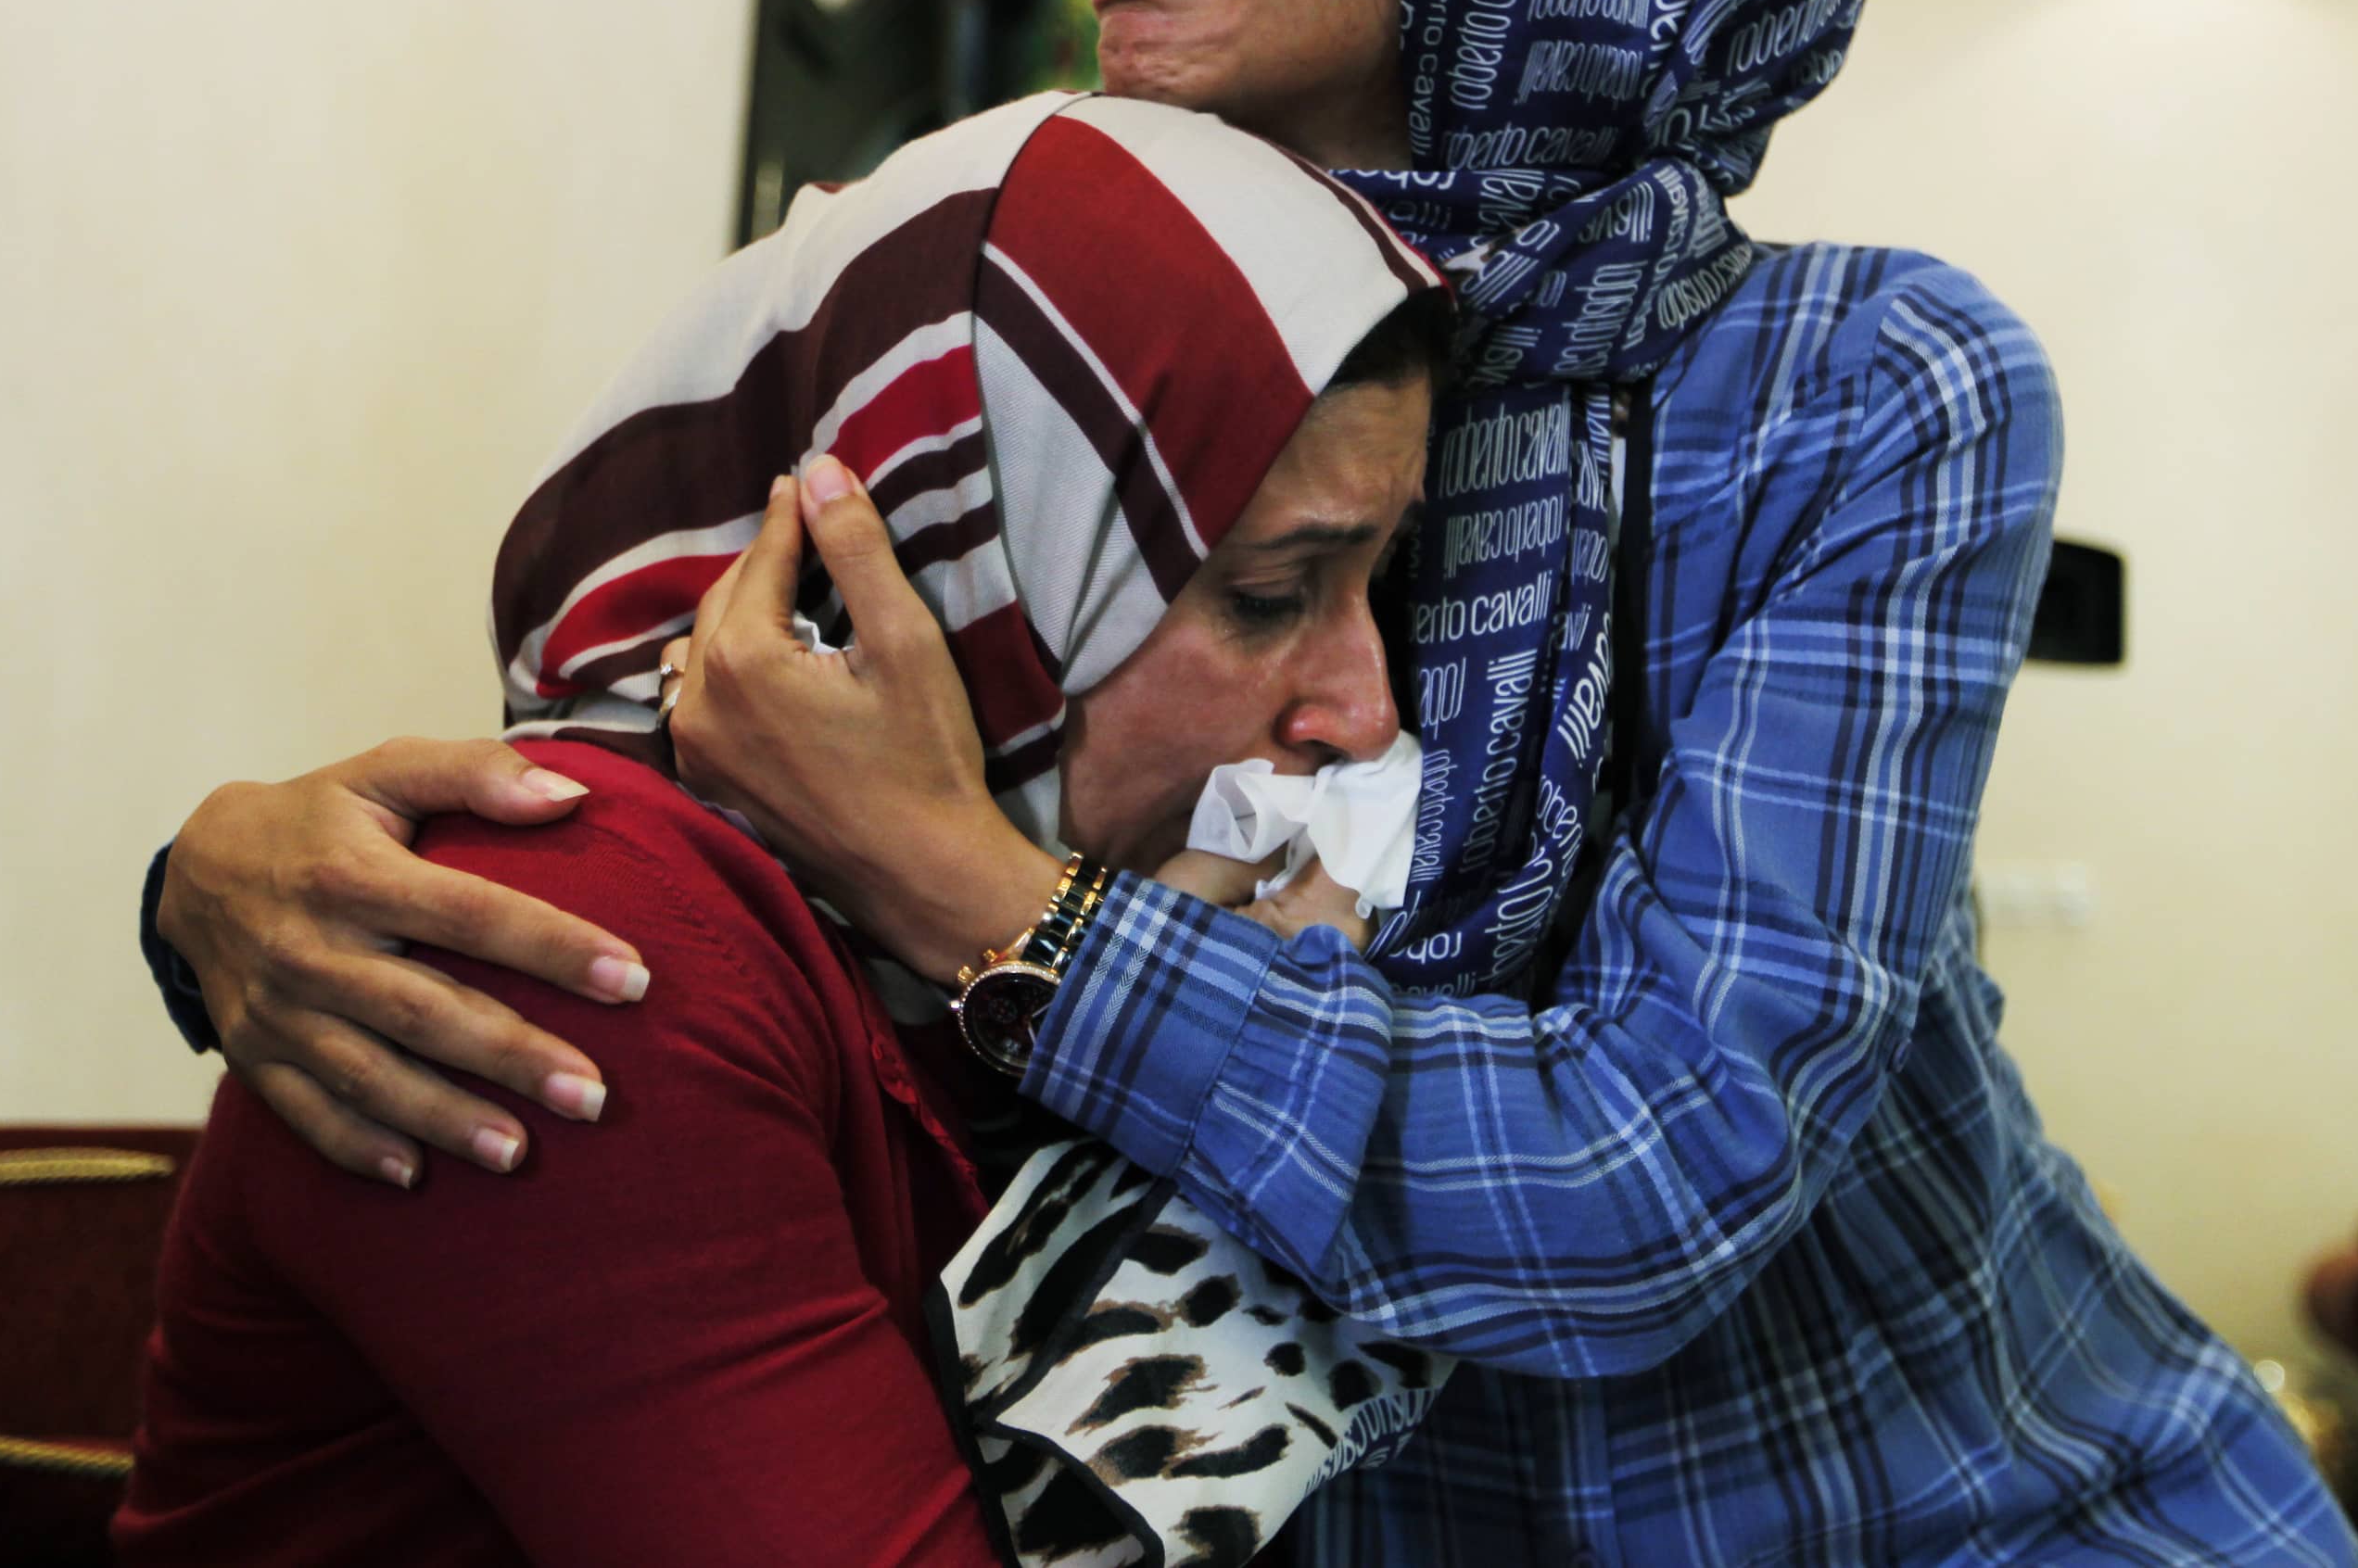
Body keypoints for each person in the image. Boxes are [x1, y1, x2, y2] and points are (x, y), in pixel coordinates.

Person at [144, 0, 2358, 1565]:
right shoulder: (1076, 319)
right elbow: (710, 731)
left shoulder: (1855, 383)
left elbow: (1640, 1179)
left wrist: (989, 895)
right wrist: (227, 876)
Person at [114, 94, 1445, 1567]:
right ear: (954, 563)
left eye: (1375, 585)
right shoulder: (580, 940)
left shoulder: (943, 967)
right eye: (1272, 591)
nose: (1365, 708)